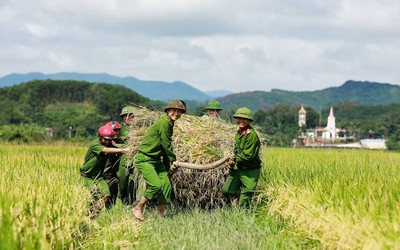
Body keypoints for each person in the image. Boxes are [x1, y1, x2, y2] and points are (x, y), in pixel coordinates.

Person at [131, 100, 187, 221]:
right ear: (167, 111)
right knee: (156, 185)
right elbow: (166, 145)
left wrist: (169, 165)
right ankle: (138, 208)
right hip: (145, 158)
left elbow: (164, 149)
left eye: (179, 111)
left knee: (166, 185)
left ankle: (160, 217)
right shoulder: (164, 123)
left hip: (156, 160)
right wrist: (174, 159)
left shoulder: (170, 123)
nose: (176, 113)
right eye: (174, 110)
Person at [80, 125, 128, 218]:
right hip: (87, 176)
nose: (107, 142)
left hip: (99, 177)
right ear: (100, 137)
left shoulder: (110, 144)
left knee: (106, 196)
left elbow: (117, 147)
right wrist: (124, 150)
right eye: (105, 139)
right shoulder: (95, 144)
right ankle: (87, 216)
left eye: (110, 140)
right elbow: (107, 150)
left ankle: (93, 216)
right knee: (92, 197)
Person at [222, 107, 262, 207]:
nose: (241, 121)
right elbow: (236, 150)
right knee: (227, 190)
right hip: (238, 168)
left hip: (250, 170)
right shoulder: (239, 133)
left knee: (246, 196)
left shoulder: (251, 135)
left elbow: (247, 155)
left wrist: (233, 159)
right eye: (239, 118)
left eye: (244, 119)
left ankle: (242, 215)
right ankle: (235, 202)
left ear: (248, 120)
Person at [116, 106, 137, 205]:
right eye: (125, 116)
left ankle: (132, 201)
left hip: (136, 159)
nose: (128, 118)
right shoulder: (119, 129)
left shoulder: (139, 128)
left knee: (133, 182)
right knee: (122, 180)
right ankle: (123, 199)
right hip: (123, 159)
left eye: (130, 116)